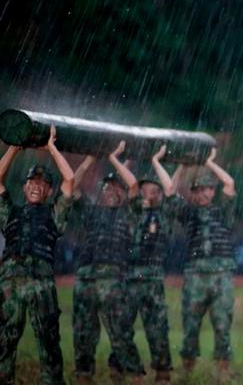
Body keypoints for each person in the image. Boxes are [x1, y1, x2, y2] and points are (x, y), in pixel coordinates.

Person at [0, 127, 73, 385]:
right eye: (32, 182)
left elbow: (70, 179)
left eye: (42, 184)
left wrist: (51, 147)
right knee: (3, 342)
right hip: (9, 283)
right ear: (24, 187)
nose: (35, 187)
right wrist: (15, 148)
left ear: (48, 191)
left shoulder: (54, 214)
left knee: (49, 343)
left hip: (42, 284)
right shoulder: (10, 212)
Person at [71, 141, 145, 384]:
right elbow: (71, 185)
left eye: (116, 188)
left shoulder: (130, 212)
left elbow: (133, 184)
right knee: (83, 335)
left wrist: (112, 158)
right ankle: (84, 377)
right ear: (102, 191)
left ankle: (134, 376)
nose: (112, 192)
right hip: (85, 279)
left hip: (113, 280)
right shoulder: (90, 211)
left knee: (121, 335)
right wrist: (91, 159)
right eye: (108, 187)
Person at [108, 145, 180, 384]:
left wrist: (157, 162)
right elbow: (131, 186)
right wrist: (116, 159)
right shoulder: (132, 210)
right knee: (121, 328)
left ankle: (162, 373)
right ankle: (130, 370)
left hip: (153, 279)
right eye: (146, 188)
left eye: (154, 189)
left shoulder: (165, 214)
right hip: (130, 278)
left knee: (157, 329)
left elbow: (170, 188)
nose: (150, 192)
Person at [175, 147, 237, 381]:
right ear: (193, 193)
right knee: (190, 326)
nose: (202, 194)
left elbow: (229, 183)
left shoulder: (224, 212)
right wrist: (182, 164)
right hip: (195, 276)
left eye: (207, 189)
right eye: (198, 190)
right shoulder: (187, 213)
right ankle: (187, 372)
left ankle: (223, 373)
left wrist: (209, 163)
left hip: (222, 274)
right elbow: (170, 191)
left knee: (222, 326)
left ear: (213, 191)